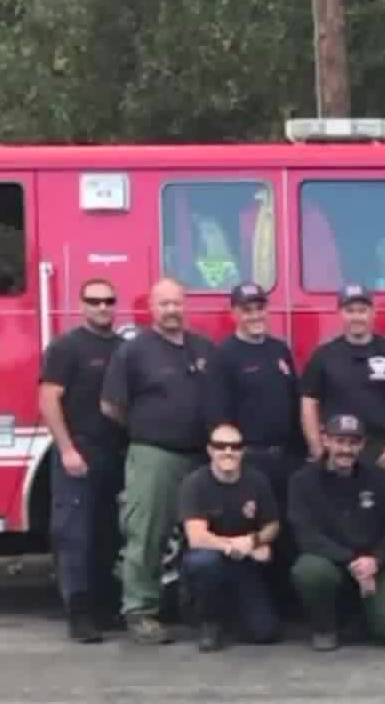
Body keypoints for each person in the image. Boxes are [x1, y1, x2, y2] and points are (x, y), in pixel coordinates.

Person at [100, 277, 218, 645]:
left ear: (186, 305)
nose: (171, 310)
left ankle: (199, 609)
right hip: (155, 454)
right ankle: (140, 610)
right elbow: (111, 406)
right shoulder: (133, 352)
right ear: (151, 309)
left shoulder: (203, 347)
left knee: (203, 538)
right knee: (147, 533)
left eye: (177, 303)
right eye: (163, 304)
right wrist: (148, 427)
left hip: (203, 457)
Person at [39, 277, 127, 643]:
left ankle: (105, 608)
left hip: (115, 453)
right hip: (81, 452)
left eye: (109, 300)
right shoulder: (66, 347)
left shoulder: (124, 347)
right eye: (95, 301)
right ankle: (79, 615)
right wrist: (67, 449)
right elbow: (48, 398)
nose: (103, 307)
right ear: (82, 305)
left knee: (107, 534)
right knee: (75, 535)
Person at [287, 413, 385, 652]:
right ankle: (325, 628)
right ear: (325, 440)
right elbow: (306, 535)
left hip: (374, 564)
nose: (346, 449)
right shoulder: (302, 481)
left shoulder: (380, 478)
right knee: (309, 571)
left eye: (353, 443)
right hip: (330, 562)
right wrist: (352, 561)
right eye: (339, 441)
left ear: (362, 445)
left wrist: (375, 561)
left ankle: (362, 616)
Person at [207, 282, 303, 611]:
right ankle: (252, 605)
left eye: (259, 308)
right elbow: (219, 417)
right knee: (254, 528)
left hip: (286, 458)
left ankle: (286, 602)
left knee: (286, 531)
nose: (254, 315)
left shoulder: (279, 350)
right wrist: (231, 460)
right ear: (234, 314)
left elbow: (294, 402)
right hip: (250, 460)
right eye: (246, 310)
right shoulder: (223, 356)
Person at [175, 422, 282, 652]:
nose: (228, 452)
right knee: (204, 562)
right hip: (209, 562)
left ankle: (234, 617)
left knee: (265, 632)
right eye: (220, 446)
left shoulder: (257, 481)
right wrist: (234, 545)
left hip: (243, 565)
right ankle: (209, 624)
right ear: (210, 450)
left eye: (235, 447)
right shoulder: (195, 483)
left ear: (243, 451)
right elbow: (197, 537)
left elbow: (272, 525)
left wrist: (254, 541)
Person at [298, 283, 385, 474]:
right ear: (340, 313)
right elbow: (308, 403)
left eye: (362, 310)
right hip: (340, 451)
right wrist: (317, 448)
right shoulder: (323, 355)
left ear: (373, 312)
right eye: (350, 311)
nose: (356, 317)